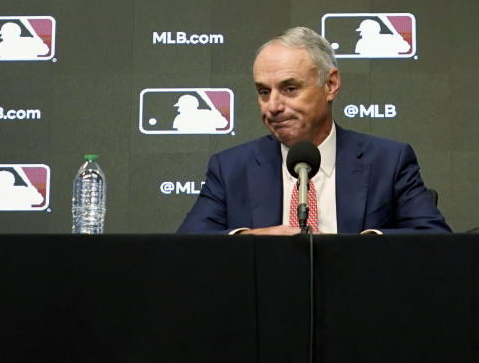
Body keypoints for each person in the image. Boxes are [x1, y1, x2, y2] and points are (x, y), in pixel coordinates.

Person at [177, 27, 450, 235]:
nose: (273, 106)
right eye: (263, 92)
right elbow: (187, 249)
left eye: (290, 88)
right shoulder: (230, 168)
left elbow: (434, 241)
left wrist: (361, 249)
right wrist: (249, 241)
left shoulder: (389, 161)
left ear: (330, 84)